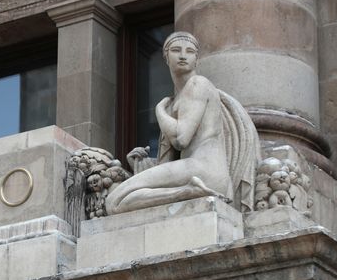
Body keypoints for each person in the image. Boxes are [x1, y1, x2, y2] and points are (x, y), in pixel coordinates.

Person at [105, 32, 258, 215]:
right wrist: (142, 165)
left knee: (114, 200)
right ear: (166, 58)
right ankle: (188, 192)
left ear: (197, 60)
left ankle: (192, 191)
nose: (183, 55)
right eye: (176, 50)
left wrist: (159, 110)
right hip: (198, 172)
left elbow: (181, 138)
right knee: (116, 204)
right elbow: (173, 159)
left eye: (190, 51)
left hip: (205, 170)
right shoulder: (178, 98)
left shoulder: (197, 84)